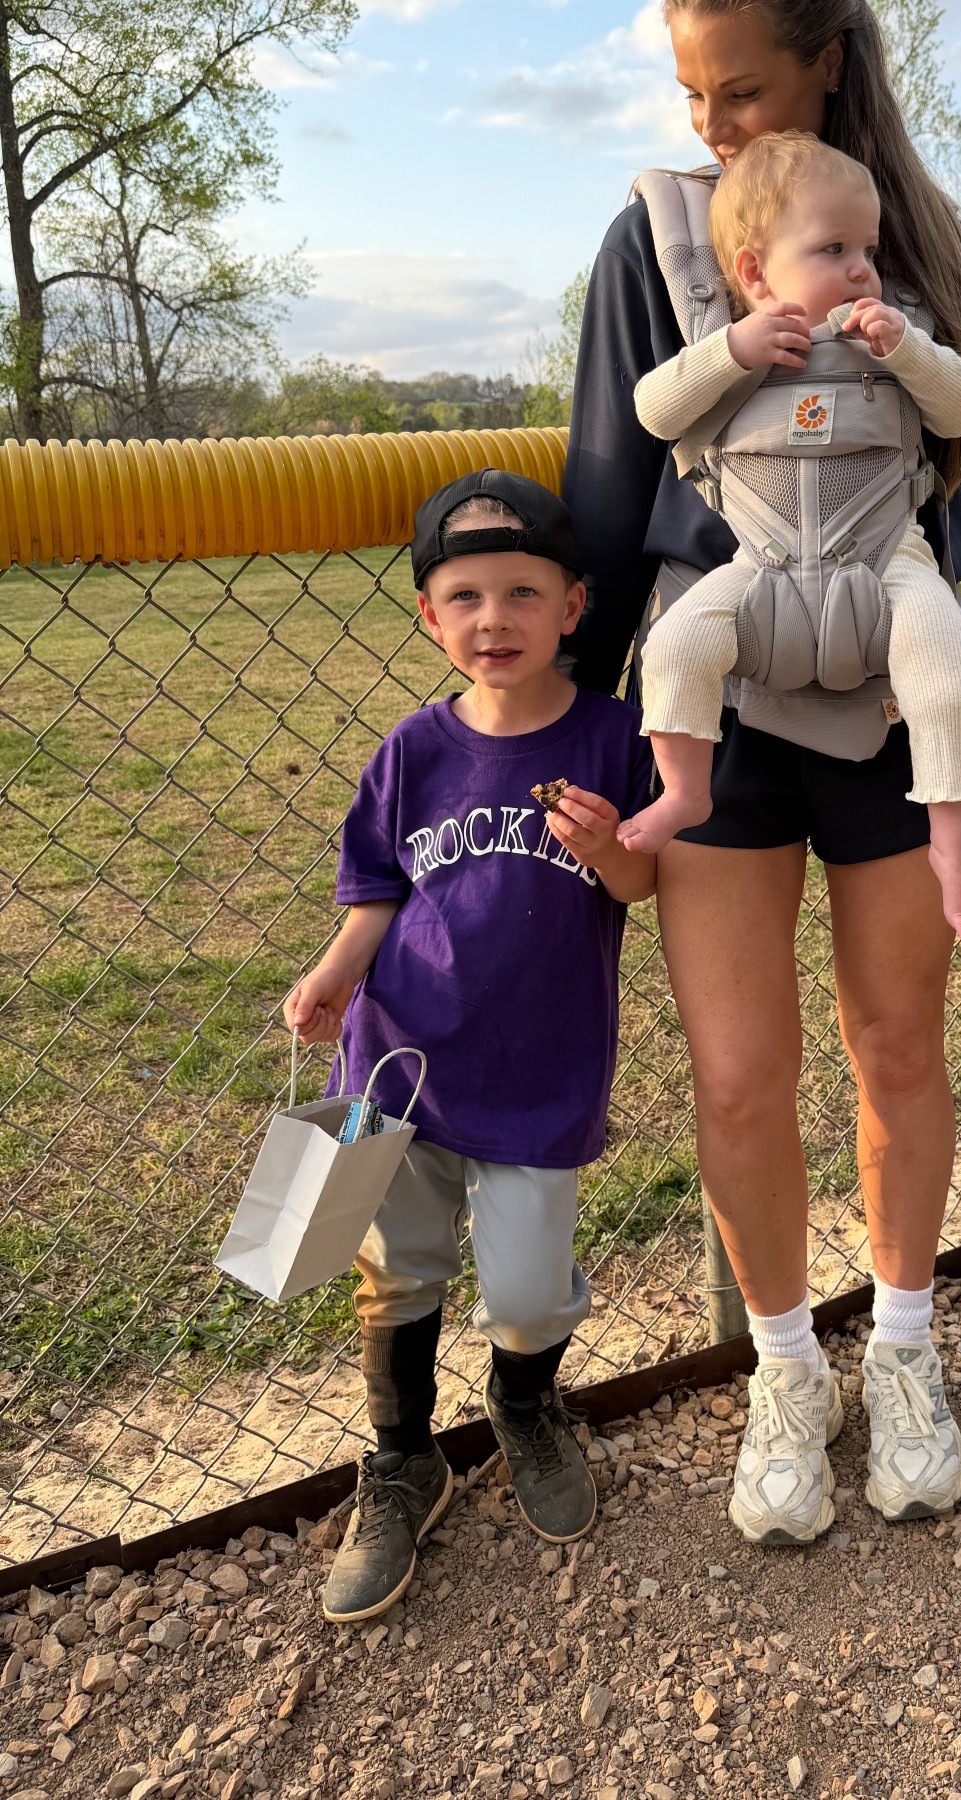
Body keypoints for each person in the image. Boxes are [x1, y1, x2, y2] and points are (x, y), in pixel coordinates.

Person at [562, 0, 961, 1546]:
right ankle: (786, 1367)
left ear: (827, 60)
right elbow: (605, 498)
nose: (706, 122)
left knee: (897, 1043)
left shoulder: (940, 263)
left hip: (889, 693)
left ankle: (912, 1346)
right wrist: (573, 739)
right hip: (719, 697)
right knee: (737, 1074)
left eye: (735, 89)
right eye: (689, 89)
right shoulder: (653, 242)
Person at [284, 470, 655, 1621]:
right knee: (394, 1270)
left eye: (522, 592)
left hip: (541, 1068)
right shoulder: (412, 749)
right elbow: (376, 892)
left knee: (533, 1288)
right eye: (465, 596)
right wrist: (334, 974)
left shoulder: (613, 738)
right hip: (399, 1061)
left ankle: (523, 1402)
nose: (494, 619)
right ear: (430, 616)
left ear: (574, 607)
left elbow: (647, 881)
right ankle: (402, 1456)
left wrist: (608, 848)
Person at [620, 129, 961, 943]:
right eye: (834, 248)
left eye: (867, 247)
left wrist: (909, 350)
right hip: (759, 566)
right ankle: (683, 790)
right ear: (755, 272)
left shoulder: (893, 338)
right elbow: (654, 412)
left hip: (887, 559)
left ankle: (955, 847)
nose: (863, 267)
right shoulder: (729, 348)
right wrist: (731, 352)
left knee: (948, 675)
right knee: (675, 647)